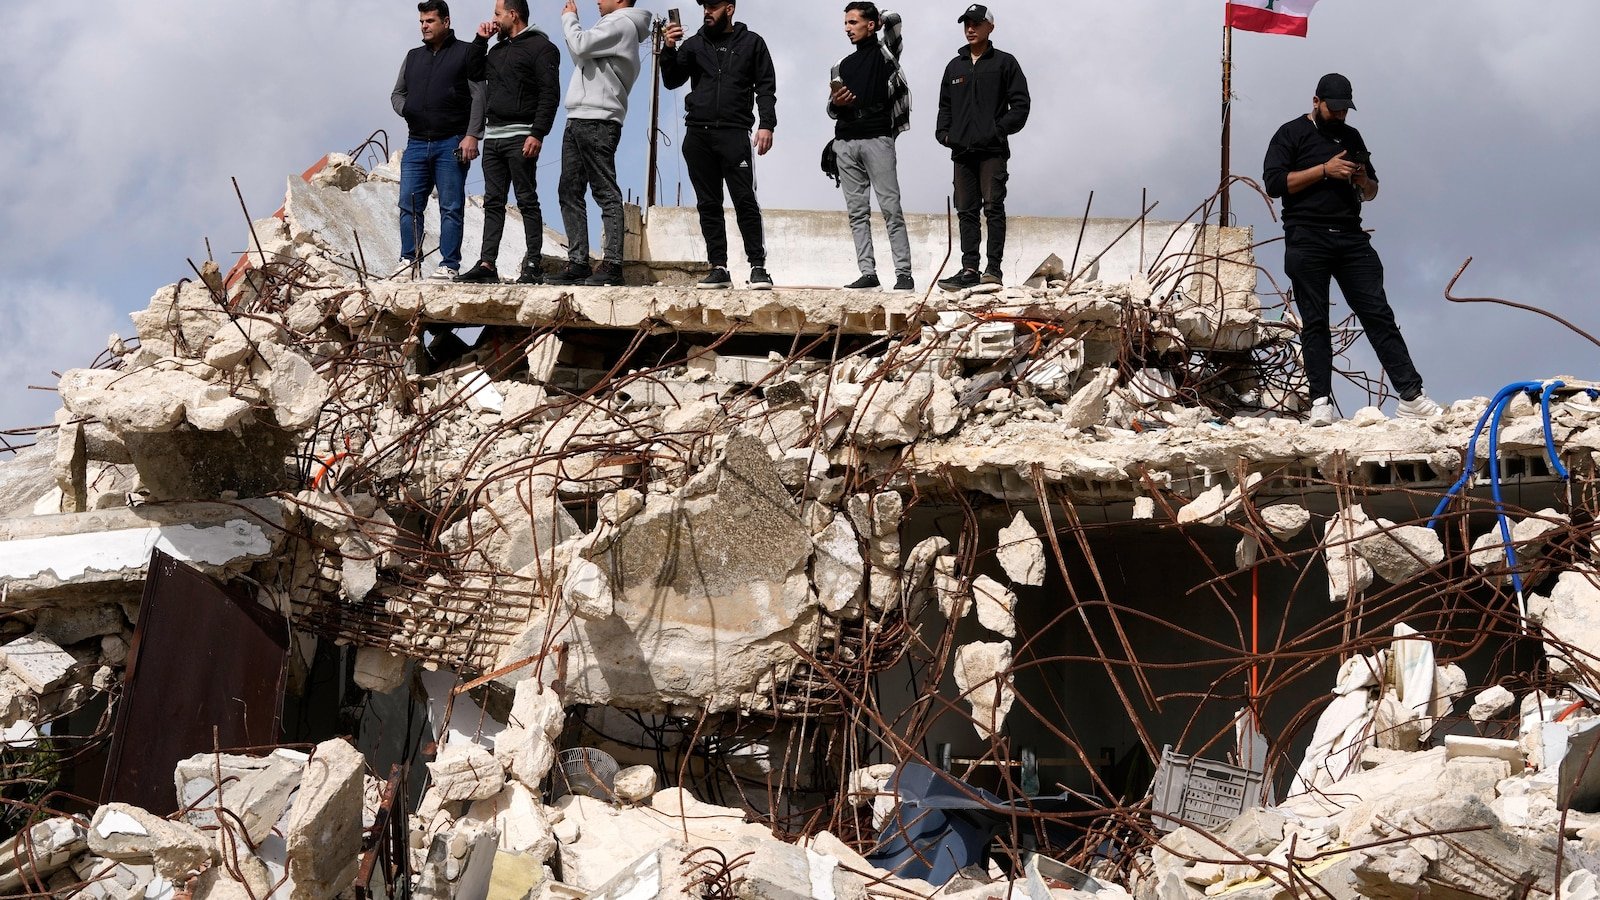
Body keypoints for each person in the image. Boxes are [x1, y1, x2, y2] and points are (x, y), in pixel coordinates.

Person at [1263, 73, 1443, 425]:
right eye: (1334, 109)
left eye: (1345, 109)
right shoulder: (1291, 133)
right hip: (1307, 236)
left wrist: (1361, 179)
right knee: (1316, 321)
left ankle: (1411, 396)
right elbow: (1274, 183)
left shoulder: (1351, 136)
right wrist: (1324, 170)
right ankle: (1320, 403)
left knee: (1378, 314)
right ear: (1316, 102)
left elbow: (1372, 191)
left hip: (1350, 237)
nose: (1340, 115)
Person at [661, 0, 778, 290]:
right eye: (704, 6)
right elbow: (671, 80)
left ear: (729, 9)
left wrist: (767, 124)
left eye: (713, 6)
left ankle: (758, 267)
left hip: (735, 133)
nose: (706, 11)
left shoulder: (752, 43)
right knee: (708, 203)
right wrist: (669, 48)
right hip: (698, 134)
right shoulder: (693, 45)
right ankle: (719, 268)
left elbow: (765, 87)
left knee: (744, 200)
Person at [549, 0, 655, 287]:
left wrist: (570, 19)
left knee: (604, 190)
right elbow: (581, 53)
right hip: (581, 115)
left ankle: (613, 264)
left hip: (598, 117)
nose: (597, 0)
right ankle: (578, 262)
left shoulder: (621, 23)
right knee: (569, 190)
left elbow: (580, 45)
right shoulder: (612, 24)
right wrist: (575, 31)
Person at [455, 0, 561, 285]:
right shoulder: (497, 49)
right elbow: (473, 72)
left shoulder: (542, 48)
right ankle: (487, 264)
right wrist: (480, 40)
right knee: (493, 202)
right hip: (494, 137)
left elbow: (550, 94)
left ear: (513, 15)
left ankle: (533, 264)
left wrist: (538, 133)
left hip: (522, 136)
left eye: (497, 14)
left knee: (526, 200)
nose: (494, 19)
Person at [934, 4, 1029, 292]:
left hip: (992, 151)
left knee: (993, 207)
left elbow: (1021, 105)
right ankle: (969, 270)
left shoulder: (1004, 62)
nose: (970, 29)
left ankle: (993, 270)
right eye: (966, 24)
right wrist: (944, 135)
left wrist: (997, 130)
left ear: (990, 27)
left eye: (976, 23)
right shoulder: (955, 66)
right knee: (966, 210)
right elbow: (945, 106)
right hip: (962, 152)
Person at [392, 1, 488, 280]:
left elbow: (479, 95)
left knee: (451, 207)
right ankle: (409, 261)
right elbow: (397, 93)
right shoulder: (413, 56)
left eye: (430, 21)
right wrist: (408, 109)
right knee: (409, 205)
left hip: (452, 142)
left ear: (446, 22)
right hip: (416, 143)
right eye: (422, 21)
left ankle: (449, 265)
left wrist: (472, 135)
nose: (424, 26)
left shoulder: (465, 53)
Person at [827, 2, 914, 292]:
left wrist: (878, 17)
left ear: (871, 24)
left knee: (891, 208)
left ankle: (904, 274)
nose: (847, 28)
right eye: (846, 23)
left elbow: (895, 20)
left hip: (878, 137)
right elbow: (831, 109)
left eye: (853, 22)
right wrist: (836, 102)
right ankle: (868, 273)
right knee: (857, 214)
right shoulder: (841, 65)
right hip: (845, 140)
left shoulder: (886, 52)